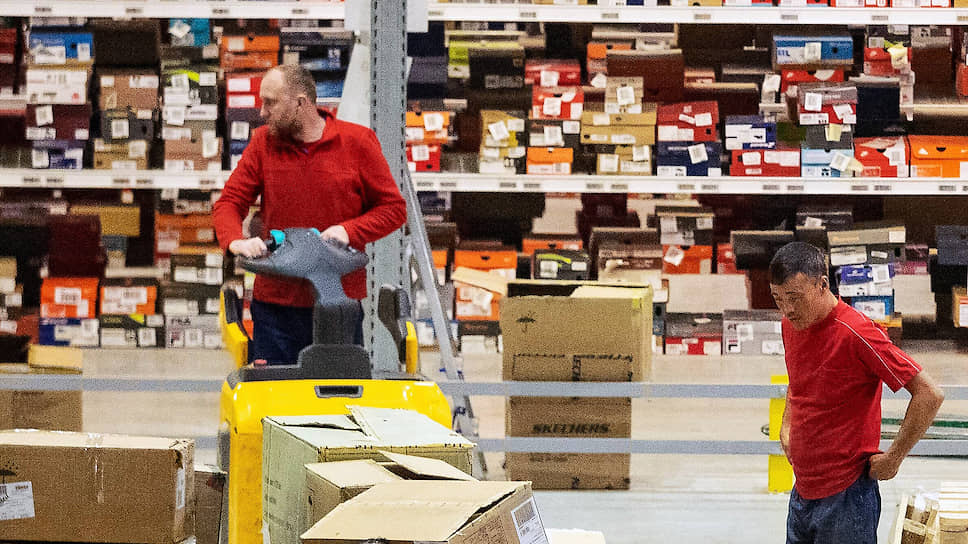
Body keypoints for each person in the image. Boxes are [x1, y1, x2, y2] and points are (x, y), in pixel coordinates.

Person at [213, 64, 407, 364]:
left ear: (301, 103)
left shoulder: (357, 142)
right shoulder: (263, 143)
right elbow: (229, 202)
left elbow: (393, 209)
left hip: (338, 304)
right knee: (276, 392)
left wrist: (348, 231)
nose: (262, 112)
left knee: (337, 391)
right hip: (275, 306)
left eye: (271, 103)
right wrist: (235, 241)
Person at [769, 242, 944, 544]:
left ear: (822, 284)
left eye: (794, 298)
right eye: (778, 299)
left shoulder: (857, 333)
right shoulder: (791, 325)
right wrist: (788, 422)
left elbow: (929, 394)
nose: (787, 309)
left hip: (847, 497)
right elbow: (799, 378)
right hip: (803, 489)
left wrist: (894, 458)